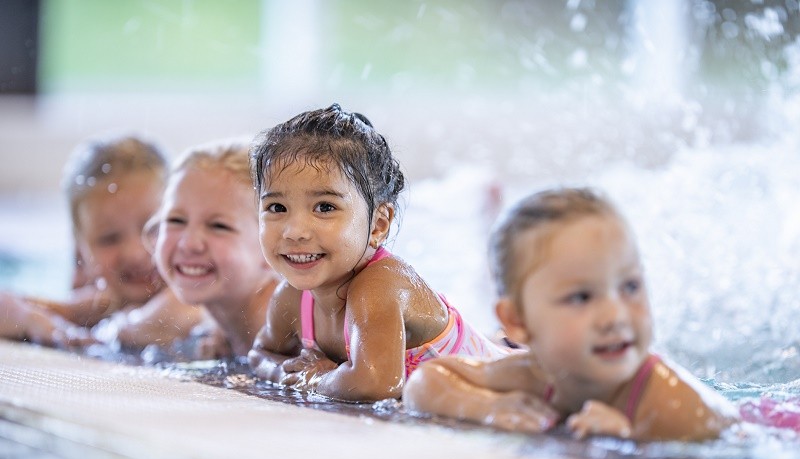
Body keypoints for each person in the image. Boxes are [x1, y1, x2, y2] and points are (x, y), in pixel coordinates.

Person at [403, 187, 738, 441]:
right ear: (518, 321)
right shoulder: (536, 374)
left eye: (631, 287)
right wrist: (488, 409)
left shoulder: (671, 404)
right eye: (581, 297)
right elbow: (425, 382)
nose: (615, 315)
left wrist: (633, 444)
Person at [247, 103, 510, 402]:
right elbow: (260, 354)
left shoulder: (380, 285)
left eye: (324, 207)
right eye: (277, 208)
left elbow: (376, 384)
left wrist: (314, 377)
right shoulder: (292, 298)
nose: (295, 231)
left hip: (519, 383)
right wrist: (283, 373)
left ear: (378, 225)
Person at [23, 133, 204, 349]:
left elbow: (176, 316)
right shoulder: (99, 305)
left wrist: (117, 331)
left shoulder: (201, 295)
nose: (135, 253)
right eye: (109, 239)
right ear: (81, 252)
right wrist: (34, 319)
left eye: (153, 228)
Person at [151, 138, 280, 358]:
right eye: (175, 220)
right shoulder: (223, 328)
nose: (189, 243)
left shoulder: (285, 332)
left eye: (218, 226)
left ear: (275, 249)